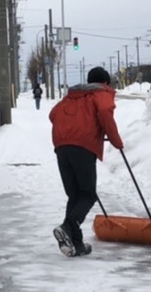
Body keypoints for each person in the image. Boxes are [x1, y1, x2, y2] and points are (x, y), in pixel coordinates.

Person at [47, 65, 123, 257]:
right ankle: (68, 226)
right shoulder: (101, 93)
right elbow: (105, 113)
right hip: (83, 146)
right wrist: (116, 141)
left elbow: (53, 114)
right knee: (88, 195)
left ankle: (76, 243)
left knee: (75, 195)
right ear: (105, 82)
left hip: (61, 146)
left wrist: (70, 127)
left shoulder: (72, 96)